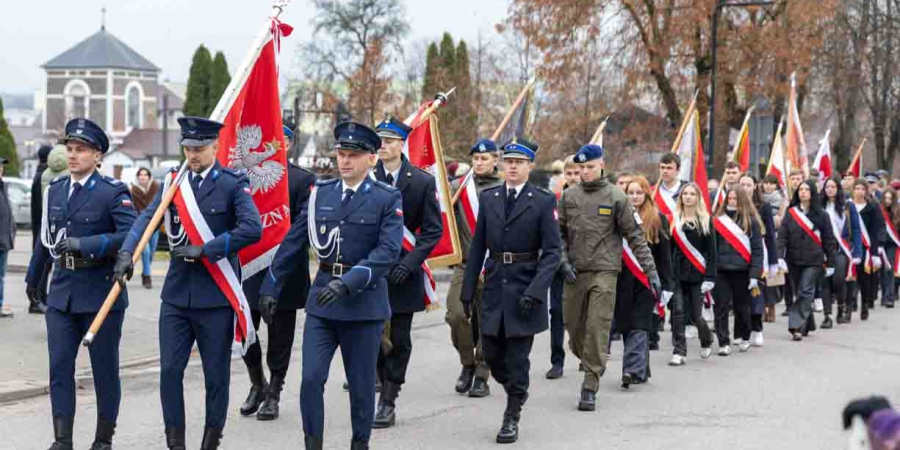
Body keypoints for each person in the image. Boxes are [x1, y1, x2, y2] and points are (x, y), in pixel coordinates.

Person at [114, 117, 262, 450]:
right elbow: (147, 219)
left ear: (215, 147)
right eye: (188, 149)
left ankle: (211, 440)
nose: (192, 155)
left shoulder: (232, 183)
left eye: (199, 149)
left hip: (215, 296)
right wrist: (127, 252)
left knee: (216, 376)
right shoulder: (174, 181)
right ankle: (175, 442)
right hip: (177, 296)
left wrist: (208, 249)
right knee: (169, 371)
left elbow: (252, 228)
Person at [259, 121, 402, 450]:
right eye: (341, 154)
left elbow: (387, 252)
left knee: (361, 386)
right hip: (322, 304)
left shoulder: (387, 197)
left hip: (363, 306)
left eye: (353, 155)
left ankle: (359, 443)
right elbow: (293, 242)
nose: (345, 161)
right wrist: (271, 286)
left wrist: (347, 284)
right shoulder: (320, 194)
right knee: (311, 379)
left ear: (371, 159)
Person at [25, 118, 138, 450]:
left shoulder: (112, 191)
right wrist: (34, 277)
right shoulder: (56, 189)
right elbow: (45, 237)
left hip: (101, 292)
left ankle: (103, 439)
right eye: (70, 149)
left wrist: (85, 245)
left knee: (104, 371)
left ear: (98, 156)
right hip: (62, 293)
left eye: (81, 150)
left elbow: (129, 235)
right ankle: (63, 440)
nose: (73, 155)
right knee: (60, 368)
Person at [460, 138, 561, 443]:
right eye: (509, 162)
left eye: (519, 162)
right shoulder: (489, 198)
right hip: (494, 285)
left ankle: (512, 414)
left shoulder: (543, 201)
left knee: (517, 358)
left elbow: (552, 253)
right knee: (491, 353)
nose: (513, 167)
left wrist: (535, 292)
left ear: (530, 166)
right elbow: (478, 246)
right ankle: (517, 389)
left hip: (524, 286)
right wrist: (467, 289)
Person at [559, 144, 659, 408]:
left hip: (604, 272)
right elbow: (558, 234)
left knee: (597, 326)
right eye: (581, 168)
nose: (585, 172)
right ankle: (592, 360)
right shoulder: (568, 196)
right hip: (575, 273)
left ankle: (589, 384)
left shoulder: (616, 196)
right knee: (573, 327)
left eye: (590, 167)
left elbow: (635, 237)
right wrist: (562, 261)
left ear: (601, 165)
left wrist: (651, 272)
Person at [237, 124, 316, 421]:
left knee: (280, 337)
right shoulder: (243, 177)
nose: (276, 143)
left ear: (290, 144)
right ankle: (258, 383)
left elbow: (303, 227)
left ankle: (274, 392)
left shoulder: (302, 179)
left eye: (282, 139)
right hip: (248, 268)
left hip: (286, 272)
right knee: (244, 331)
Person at [371, 116, 442, 429]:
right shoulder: (367, 177)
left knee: (399, 339)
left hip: (404, 271)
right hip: (371, 272)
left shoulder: (421, 182)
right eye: (380, 141)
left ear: (401, 144)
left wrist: (409, 263)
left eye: (389, 141)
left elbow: (432, 230)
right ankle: (379, 379)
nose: (383, 146)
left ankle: (388, 399)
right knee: (372, 336)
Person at [446, 138, 503, 396]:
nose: (479, 163)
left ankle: (482, 373)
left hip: (493, 265)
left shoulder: (504, 189)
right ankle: (467, 363)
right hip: (465, 264)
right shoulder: (458, 187)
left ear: (495, 160)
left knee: (489, 322)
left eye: (484, 158)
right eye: (476, 158)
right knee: (456, 315)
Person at [616, 175, 671, 387]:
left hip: (646, 279)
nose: (634, 196)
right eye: (630, 193)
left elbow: (664, 255)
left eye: (639, 192)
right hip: (622, 279)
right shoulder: (618, 216)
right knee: (626, 324)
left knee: (639, 323)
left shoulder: (657, 218)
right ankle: (642, 368)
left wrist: (667, 284)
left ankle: (631, 370)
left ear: (646, 194)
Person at [777, 180, 837, 340]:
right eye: (800, 189)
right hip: (793, 259)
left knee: (805, 290)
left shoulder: (822, 215)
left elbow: (829, 240)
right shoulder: (791, 213)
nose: (803, 192)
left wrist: (831, 262)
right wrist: (779, 256)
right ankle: (808, 324)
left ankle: (795, 326)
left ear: (812, 193)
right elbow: (782, 236)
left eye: (806, 189)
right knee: (801, 293)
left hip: (813, 260)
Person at [669, 182, 716, 365]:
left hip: (698, 274)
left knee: (696, 316)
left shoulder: (705, 220)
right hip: (677, 273)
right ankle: (679, 351)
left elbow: (712, 252)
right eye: (685, 194)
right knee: (678, 313)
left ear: (698, 198)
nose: (688, 197)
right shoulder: (674, 219)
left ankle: (707, 339)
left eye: (692, 194)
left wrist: (710, 277)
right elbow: (669, 250)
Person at [712, 187, 763, 354]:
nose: (732, 202)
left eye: (735, 199)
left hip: (743, 270)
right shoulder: (718, 221)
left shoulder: (751, 221)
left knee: (742, 307)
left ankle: (745, 336)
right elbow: (711, 248)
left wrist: (755, 275)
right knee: (721, 306)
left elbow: (757, 250)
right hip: (721, 270)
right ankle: (723, 342)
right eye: (730, 199)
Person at [546, 155, 580, 380]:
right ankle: (557, 360)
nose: (574, 177)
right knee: (557, 313)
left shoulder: (592, 199)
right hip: (559, 266)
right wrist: (562, 262)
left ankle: (585, 354)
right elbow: (553, 236)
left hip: (584, 264)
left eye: (577, 172)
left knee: (583, 314)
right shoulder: (555, 200)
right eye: (570, 173)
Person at [739, 174, 778, 340]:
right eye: (742, 184)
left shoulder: (764, 207)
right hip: (738, 254)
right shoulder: (732, 204)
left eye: (748, 184)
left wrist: (774, 261)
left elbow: (770, 235)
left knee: (756, 292)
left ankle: (757, 328)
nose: (745, 188)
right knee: (741, 294)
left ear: (755, 186)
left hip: (759, 254)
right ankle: (742, 330)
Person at [822, 176, 863, 325]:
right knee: (825, 281)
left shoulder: (848, 206)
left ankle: (841, 307)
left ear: (838, 189)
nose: (829, 189)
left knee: (839, 280)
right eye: (827, 187)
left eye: (833, 187)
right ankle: (827, 316)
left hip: (842, 249)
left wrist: (857, 252)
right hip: (824, 249)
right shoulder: (820, 205)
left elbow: (856, 230)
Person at [850, 178, 885, 321]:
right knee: (849, 276)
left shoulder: (872, 207)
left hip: (866, 246)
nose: (859, 191)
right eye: (857, 188)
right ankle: (850, 302)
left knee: (863, 277)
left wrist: (876, 250)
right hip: (849, 246)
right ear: (853, 190)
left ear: (866, 191)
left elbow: (876, 229)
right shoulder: (847, 205)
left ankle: (864, 303)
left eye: (862, 189)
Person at [129, 167, 160, 289]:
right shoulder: (133, 190)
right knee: (145, 251)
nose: (143, 177)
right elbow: (131, 208)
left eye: (145, 175)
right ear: (138, 177)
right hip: (140, 224)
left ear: (149, 177)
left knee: (151, 252)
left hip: (154, 224)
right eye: (140, 175)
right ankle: (147, 277)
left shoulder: (156, 187)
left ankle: (145, 271)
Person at [879, 188, 899, 308]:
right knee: (882, 271)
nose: (887, 201)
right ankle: (883, 296)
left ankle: (889, 297)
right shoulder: (879, 210)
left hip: (892, 244)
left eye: (890, 198)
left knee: (889, 269)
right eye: (885, 198)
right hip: (880, 244)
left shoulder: (897, 211)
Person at [0, 159, 13, 318]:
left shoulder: (3, 186)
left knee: (1, 276)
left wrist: (12, 232)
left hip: (4, 239)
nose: (1, 168)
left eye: (2, 166)